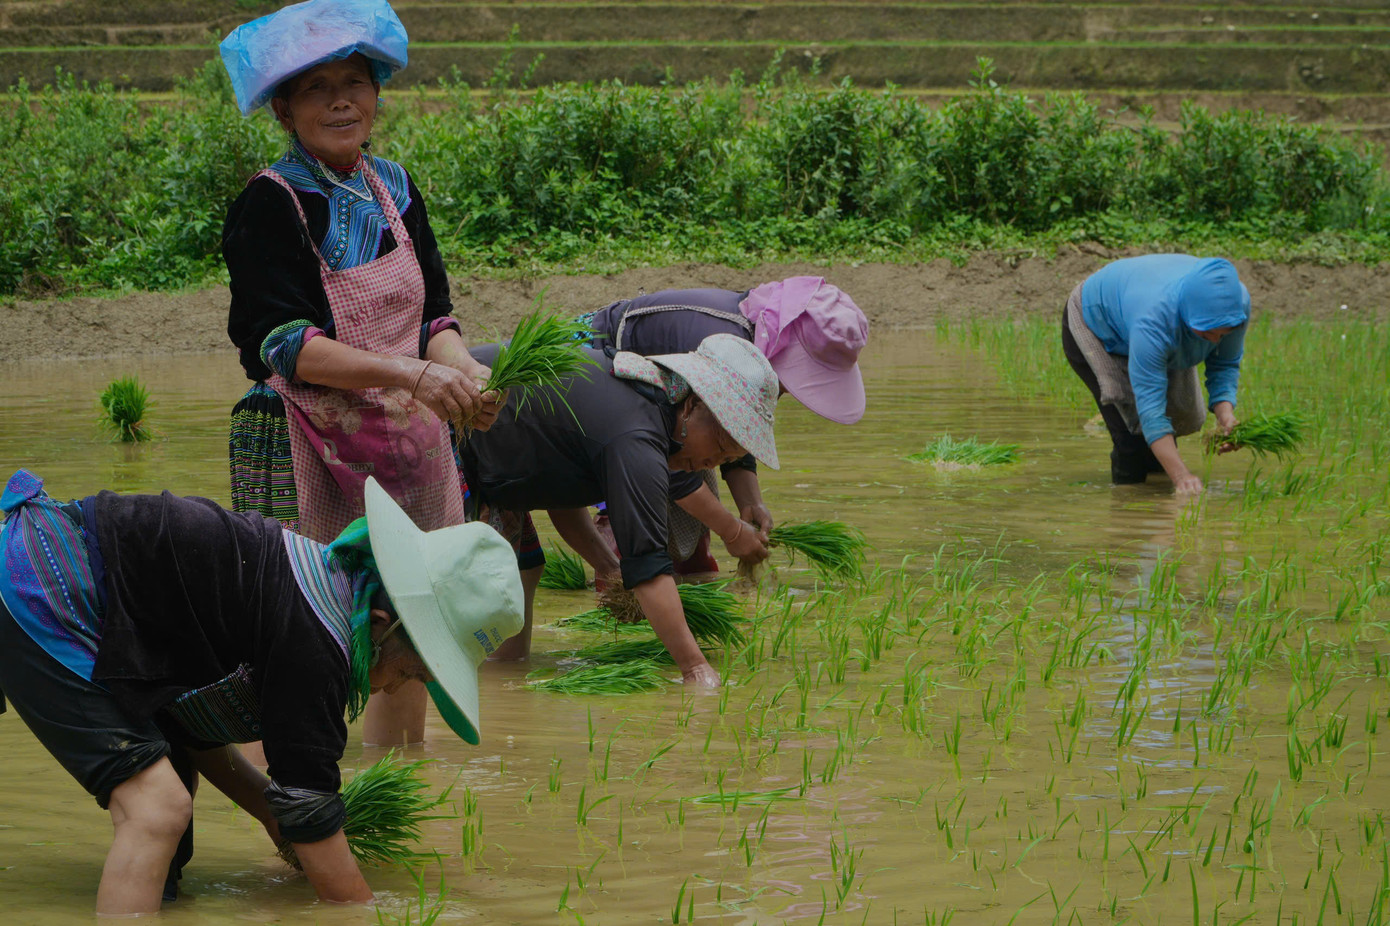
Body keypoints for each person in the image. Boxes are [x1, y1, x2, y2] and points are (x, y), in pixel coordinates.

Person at [0, 471, 522, 915]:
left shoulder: (318, 587)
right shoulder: (320, 642)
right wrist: (362, 913)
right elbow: (309, 813)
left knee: (165, 856)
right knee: (156, 811)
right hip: (43, 584)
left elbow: (190, 728)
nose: (397, 688)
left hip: (73, 584)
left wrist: (270, 815)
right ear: (383, 624)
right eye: (410, 672)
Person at [220, 0, 501, 744]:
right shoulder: (270, 202)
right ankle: (303, 790)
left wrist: (461, 375)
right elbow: (283, 343)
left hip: (409, 444)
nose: (340, 101)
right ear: (283, 109)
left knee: (415, 630)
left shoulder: (396, 188)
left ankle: (396, 778)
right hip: (303, 441)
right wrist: (411, 376)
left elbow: (434, 318)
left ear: (377, 94)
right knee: (303, 631)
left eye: (354, 83)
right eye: (316, 88)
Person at [456, 334, 782, 686]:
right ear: (691, 406)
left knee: (522, 574)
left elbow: (558, 487)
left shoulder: (651, 402)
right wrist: (696, 671)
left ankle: (501, 686)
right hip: (452, 430)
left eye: (727, 459)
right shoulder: (637, 435)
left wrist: (609, 568)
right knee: (476, 588)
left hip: (498, 461)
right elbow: (648, 568)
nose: (712, 463)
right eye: (719, 445)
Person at [578, 277, 868, 578]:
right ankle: (619, 583)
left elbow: (736, 431)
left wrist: (750, 502)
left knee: (691, 542)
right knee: (645, 509)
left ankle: (683, 584)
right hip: (588, 380)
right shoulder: (715, 344)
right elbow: (667, 461)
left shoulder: (746, 356)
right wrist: (731, 530)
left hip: (661, 420)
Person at [1061, 255, 1250, 493]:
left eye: (1221, 334)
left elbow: (1224, 364)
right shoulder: (1153, 321)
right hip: (1099, 325)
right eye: (1206, 334)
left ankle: (1159, 495)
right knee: (1131, 436)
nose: (1214, 341)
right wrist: (1182, 476)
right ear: (1187, 315)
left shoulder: (1235, 307)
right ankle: (1127, 503)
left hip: (1154, 322)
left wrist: (1226, 416)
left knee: (1171, 423)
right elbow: (1150, 412)